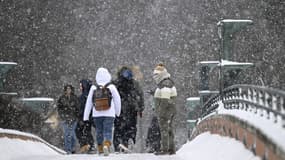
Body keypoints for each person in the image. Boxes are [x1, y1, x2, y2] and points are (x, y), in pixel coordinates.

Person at [83, 67, 121, 156]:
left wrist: (86, 116)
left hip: (97, 113)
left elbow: (89, 102)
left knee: (99, 131)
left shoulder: (93, 87)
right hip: (109, 113)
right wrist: (117, 112)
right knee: (108, 130)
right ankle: (106, 145)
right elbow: (117, 100)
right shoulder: (111, 87)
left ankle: (100, 148)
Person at [112, 66, 145, 152]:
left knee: (118, 128)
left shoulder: (115, 83)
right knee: (131, 127)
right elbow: (140, 95)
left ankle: (118, 144)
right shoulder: (134, 83)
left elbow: (110, 96)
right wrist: (141, 108)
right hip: (132, 108)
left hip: (119, 109)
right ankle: (129, 141)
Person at [152, 63, 177, 155]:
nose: (154, 77)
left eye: (156, 75)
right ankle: (171, 148)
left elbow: (165, 100)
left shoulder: (164, 84)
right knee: (169, 129)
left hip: (165, 112)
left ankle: (165, 149)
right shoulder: (168, 82)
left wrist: (161, 112)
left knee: (164, 130)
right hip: (170, 111)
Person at [57, 84, 80, 154]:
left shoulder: (75, 97)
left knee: (72, 134)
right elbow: (59, 108)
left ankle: (73, 148)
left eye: (69, 88)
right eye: (67, 89)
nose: (68, 90)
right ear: (65, 90)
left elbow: (78, 108)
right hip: (65, 119)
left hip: (74, 119)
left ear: (71, 89)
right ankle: (68, 150)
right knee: (67, 134)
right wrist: (62, 116)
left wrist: (76, 116)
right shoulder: (61, 98)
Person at [76, 79, 95, 154]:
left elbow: (82, 107)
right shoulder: (90, 93)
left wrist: (80, 116)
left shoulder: (85, 95)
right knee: (87, 131)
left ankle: (86, 145)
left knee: (79, 130)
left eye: (81, 85)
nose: (80, 87)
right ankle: (90, 145)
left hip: (84, 117)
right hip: (88, 117)